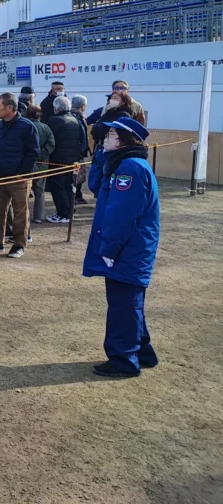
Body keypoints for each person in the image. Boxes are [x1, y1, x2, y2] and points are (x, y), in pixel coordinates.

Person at [83, 117, 159, 378]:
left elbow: (122, 216)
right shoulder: (120, 163)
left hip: (128, 249)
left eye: (111, 135)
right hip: (129, 247)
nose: (105, 139)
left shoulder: (130, 168)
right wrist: (101, 157)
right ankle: (142, 352)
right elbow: (95, 186)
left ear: (124, 140)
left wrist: (109, 249)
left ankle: (124, 360)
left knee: (123, 305)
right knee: (128, 303)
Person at [0, 93, 40, 259]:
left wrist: (23, 173)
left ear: (10, 108)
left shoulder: (27, 126)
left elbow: (33, 152)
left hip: (19, 178)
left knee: (20, 213)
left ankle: (19, 244)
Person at [46, 96, 84, 223]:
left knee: (58, 186)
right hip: (72, 159)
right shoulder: (75, 120)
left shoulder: (53, 121)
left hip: (57, 159)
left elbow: (50, 140)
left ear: (56, 108)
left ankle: (63, 213)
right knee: (68, 185)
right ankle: (69, 211)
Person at [26, 103, 55, 225]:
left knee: (24, 192)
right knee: (40, 192)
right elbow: (51, 144)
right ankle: (39, 216)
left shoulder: (24, 127)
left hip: (26, 163)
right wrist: (41, 155)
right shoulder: (46, 128)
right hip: (42, 164)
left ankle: (25, 216)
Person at [72, 94, 91, 204]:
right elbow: (82, 136)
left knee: (78, 175)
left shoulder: (74, 116)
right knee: (78, 175)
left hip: (75, 151)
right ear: (83, 106)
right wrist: (83, 150)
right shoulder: (78, 118)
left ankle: (77, 195)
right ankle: (76, 196)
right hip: (77, 152)